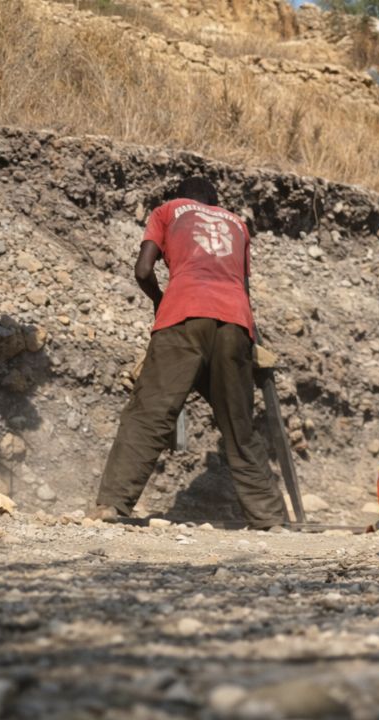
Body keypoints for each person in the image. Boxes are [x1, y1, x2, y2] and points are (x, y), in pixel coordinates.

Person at [88, 177, 288, 529]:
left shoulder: (168, 210)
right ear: (214, 201)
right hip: (235, 324)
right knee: (239, 424)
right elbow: (242, 287)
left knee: (149, 413)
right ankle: (269, 517)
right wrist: (250, 342)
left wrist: (160, 301)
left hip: (182, 315)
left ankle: (113, 505)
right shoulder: (237, 224)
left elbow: (143, 270)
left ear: (180, 196)